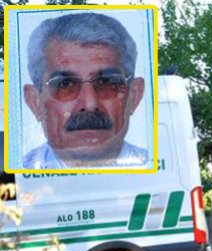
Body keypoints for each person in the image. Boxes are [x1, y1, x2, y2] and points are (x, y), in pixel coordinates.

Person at [22, 12, 147, 169]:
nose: (89, 104)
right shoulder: (16, 180)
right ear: (35, 102)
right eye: (65, 84)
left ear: (134, 96)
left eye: (106, 82)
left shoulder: (163, 173)